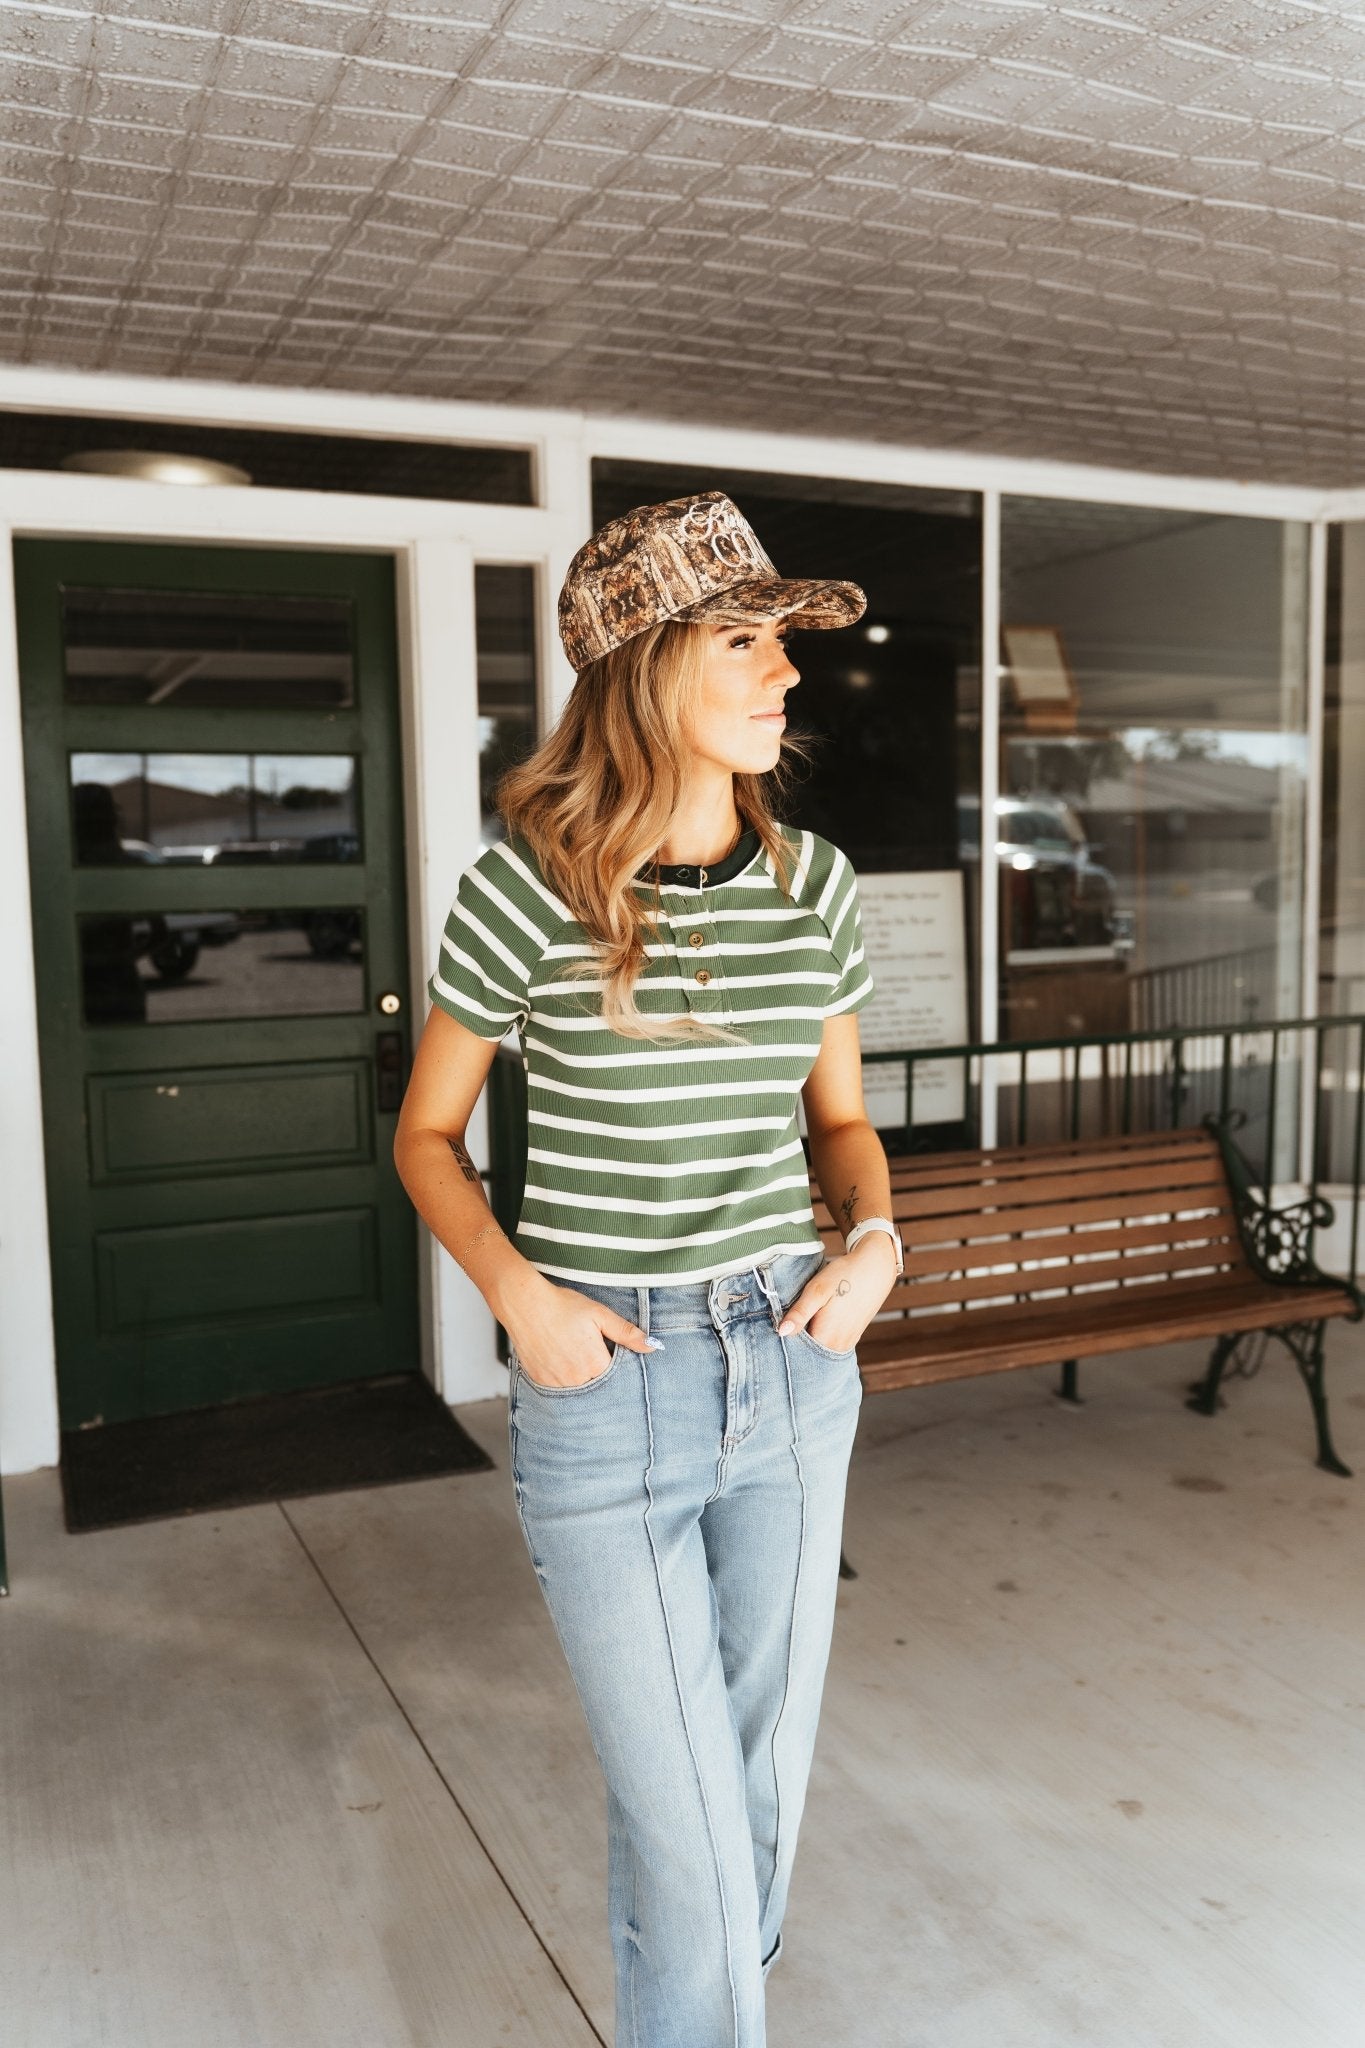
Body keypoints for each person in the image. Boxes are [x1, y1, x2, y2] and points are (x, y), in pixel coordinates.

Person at [394, 491, 904, 2048]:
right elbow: (426, 1135)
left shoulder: (811, 885)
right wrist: (518, 1298)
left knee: (743, 1786)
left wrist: (874, 1240)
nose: (785, 675)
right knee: (686, 1818)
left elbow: (841, 1124)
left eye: (781, 643)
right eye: (744, 641)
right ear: (637, 670)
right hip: (608, 1391)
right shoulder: (525, 888)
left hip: (794, 1360)